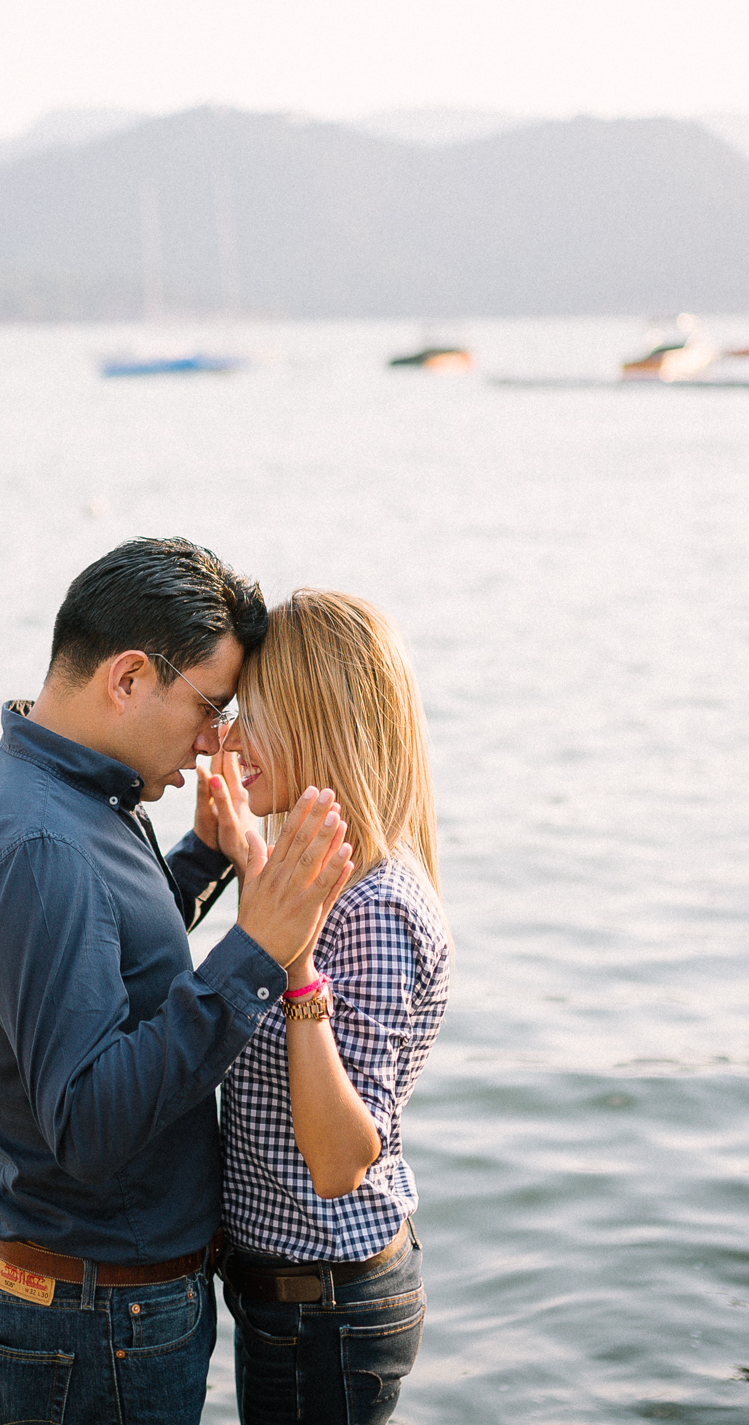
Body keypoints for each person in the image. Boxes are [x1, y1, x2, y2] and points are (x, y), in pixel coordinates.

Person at [0, 538, 356, 1425]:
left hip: (76, 1295)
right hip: (95, 1319)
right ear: (127, 678)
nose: (214, 744)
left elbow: (105, 955)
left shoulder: (39, 783)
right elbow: (87, 1121)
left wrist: (201, 859)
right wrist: (258, 951)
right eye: (208, 707)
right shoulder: (47, 844)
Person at [196, 589, 453, 1425]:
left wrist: (297, 968)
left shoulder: (375, 907)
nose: (226, 739)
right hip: (288, 1301)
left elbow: (341, 1160)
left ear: (318, 722)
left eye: (250, 715)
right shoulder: (305, 876)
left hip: (328, 1310)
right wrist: (231, 858)